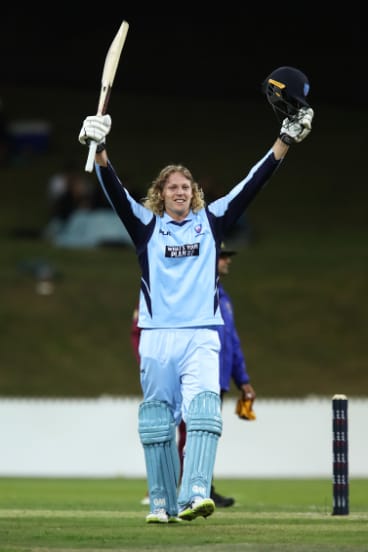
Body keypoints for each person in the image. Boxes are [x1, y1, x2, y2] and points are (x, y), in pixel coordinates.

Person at [78, 66, 314, 523]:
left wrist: (283, 142)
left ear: (195, 193)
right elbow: (113, 190)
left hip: (202, 334)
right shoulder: (145, 226)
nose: (181, 192)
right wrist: (100, 148)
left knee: (205, 412)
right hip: (157, 334)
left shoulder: (214, 220)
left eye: (187, 187)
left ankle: (195, 495)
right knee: (156, 421)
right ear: (161, 195)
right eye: (173, 187)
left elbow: (254, 181)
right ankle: (162, 503)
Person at [131, 243, 256, 508]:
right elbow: (142, 330)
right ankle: (174, 490)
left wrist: (241, 380)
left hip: (215, 376)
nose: (227, 262)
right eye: (222, 257)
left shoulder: (222, 297)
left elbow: (232, 342)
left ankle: (201, 486)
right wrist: (153, 366)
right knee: (181, 431)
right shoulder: (183, 292)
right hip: (187, 375)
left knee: (204, 432)